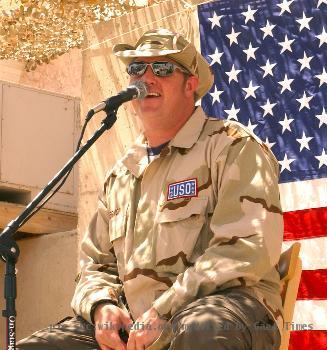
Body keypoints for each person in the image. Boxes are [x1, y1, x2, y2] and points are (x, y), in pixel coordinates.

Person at [17, 28, 283, 350]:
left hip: (224, 312)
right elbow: (95, 265)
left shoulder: (231, 148)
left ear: (190, 84)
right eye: (137, 69)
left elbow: (245, 247)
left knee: (202, 329)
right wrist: (102, 307)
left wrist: (164, 309)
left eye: (163, 68)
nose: (147, 77)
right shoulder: (121, 175)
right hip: (138, 325)